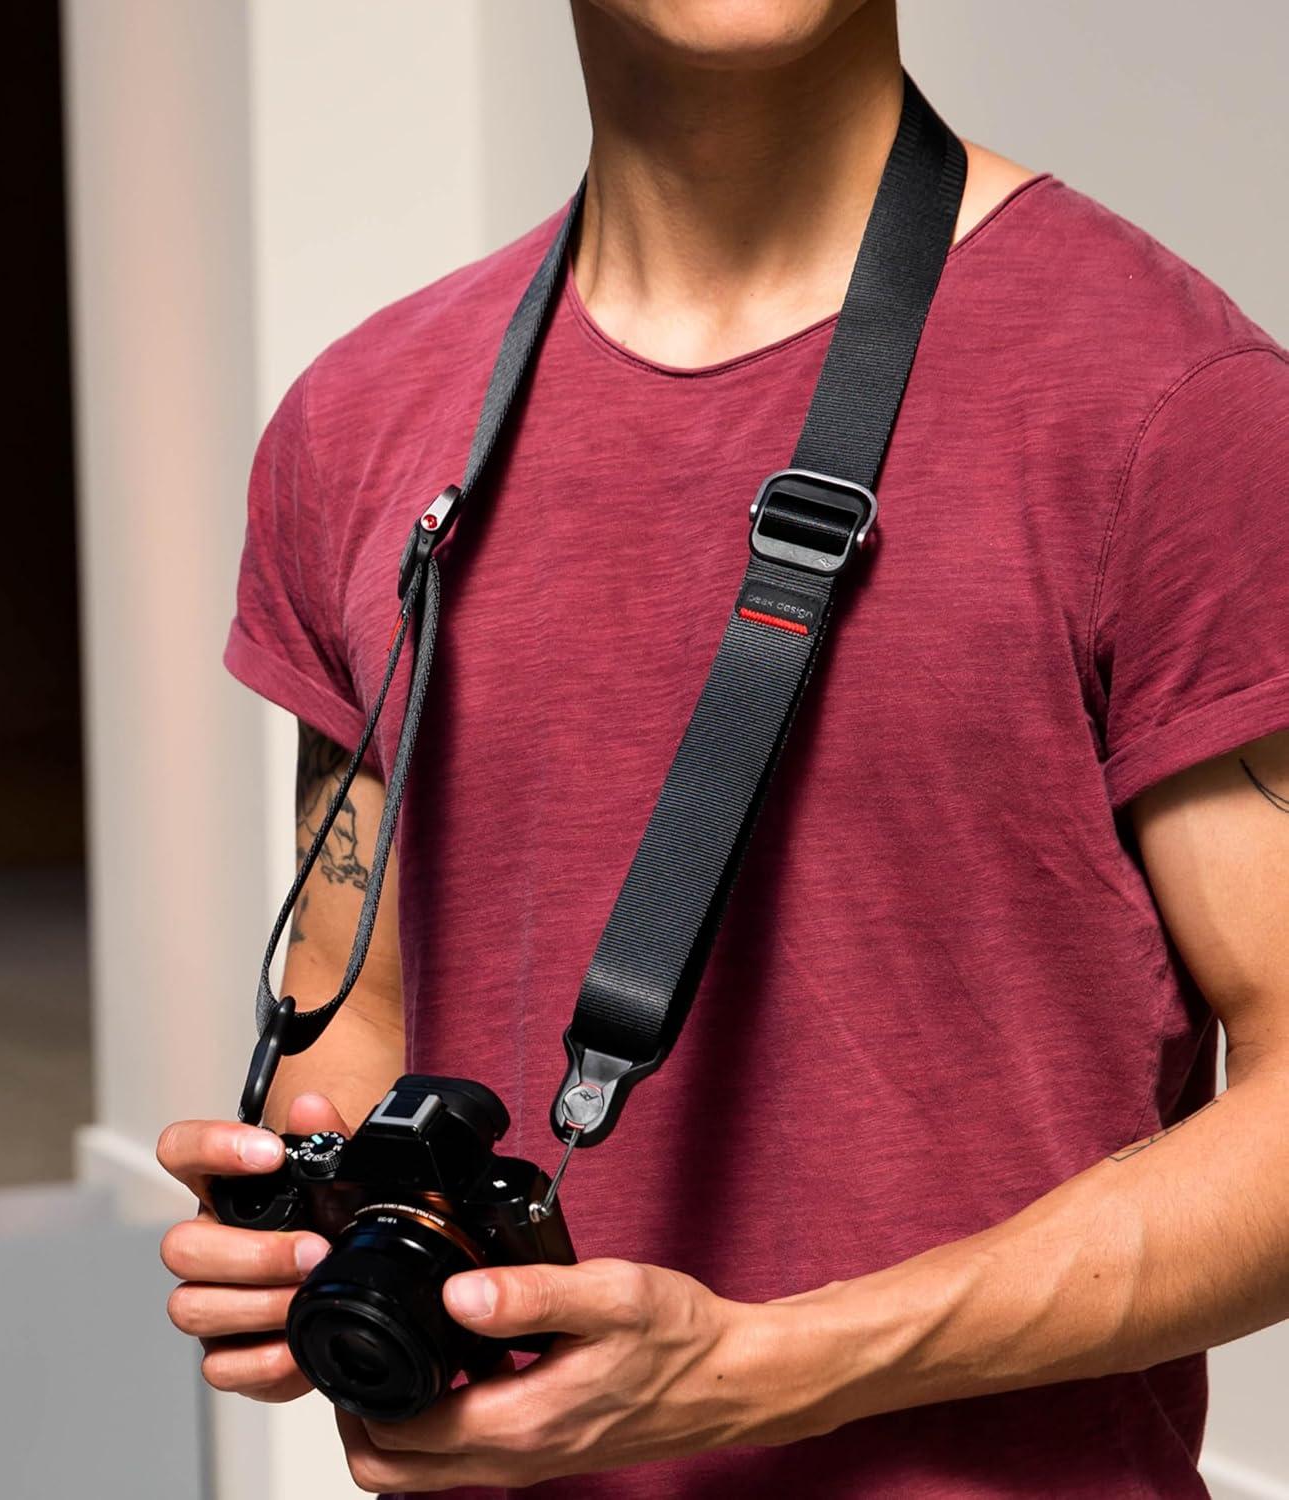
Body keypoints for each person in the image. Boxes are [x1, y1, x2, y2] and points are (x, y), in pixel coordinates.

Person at [156, 1, 1289, 1494]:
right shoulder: (358, 422)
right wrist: (322, 1235)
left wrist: (769, 1367)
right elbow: (354, 1022)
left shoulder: (1177, 405)